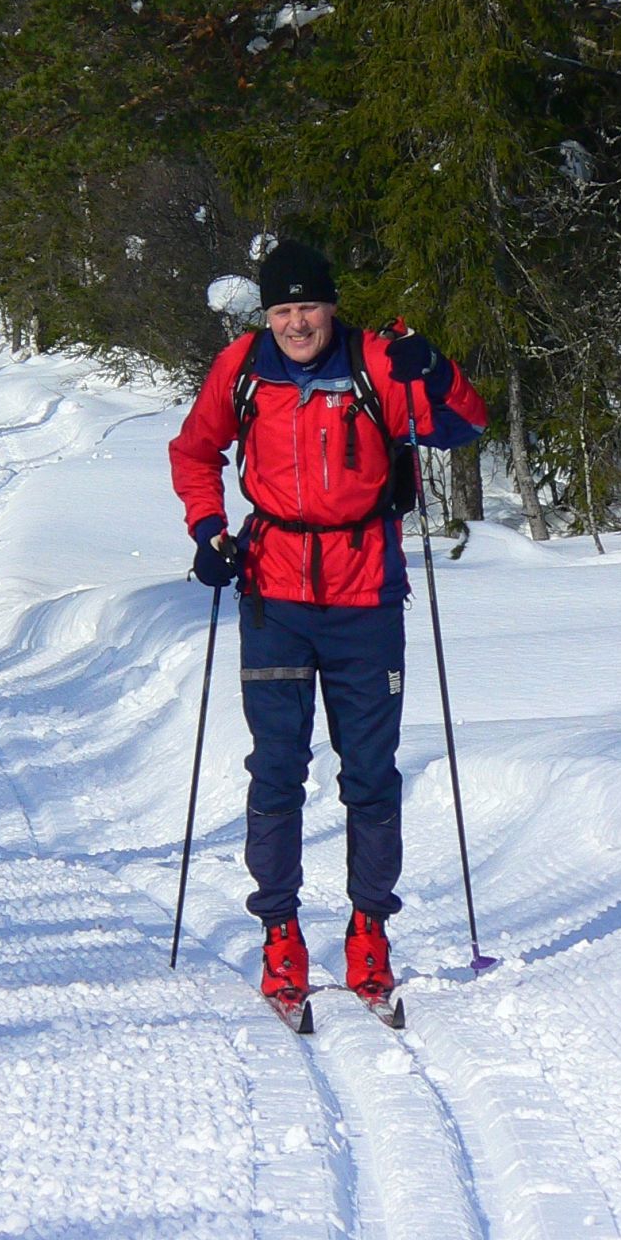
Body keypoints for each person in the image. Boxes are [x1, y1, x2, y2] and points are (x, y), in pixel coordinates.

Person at [168, 239, 488, 1010]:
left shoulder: (377, 360)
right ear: (266, 314)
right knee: (277, 769)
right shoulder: (242, 369)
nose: (297, 322)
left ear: (332, 307)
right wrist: (209, 528)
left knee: (370, 773)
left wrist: (432, 368)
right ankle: (280, 934)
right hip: (274, 596)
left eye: (309, 306)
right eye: (283, 308)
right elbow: (194, 450)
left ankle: (369, 930)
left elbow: (464, 423)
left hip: (365, 597)